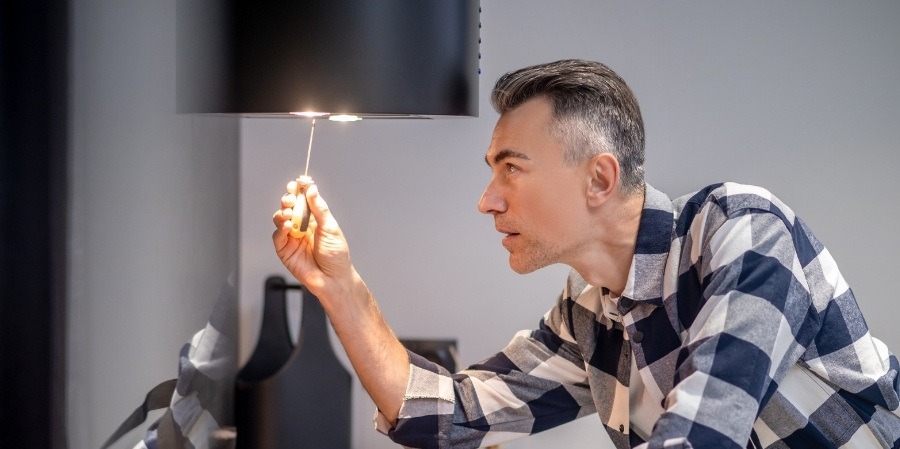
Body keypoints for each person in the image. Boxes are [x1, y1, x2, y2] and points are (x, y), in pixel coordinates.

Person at [272, 59, 900, 448]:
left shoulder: (744, 232)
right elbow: (443, 416)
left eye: (510, 169)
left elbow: (706, 435)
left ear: (600, 178)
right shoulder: (588, 315)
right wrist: (339, 285)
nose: (487, 201)